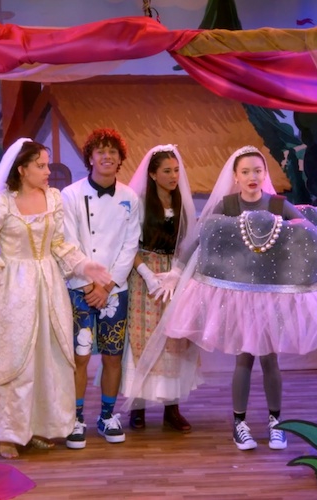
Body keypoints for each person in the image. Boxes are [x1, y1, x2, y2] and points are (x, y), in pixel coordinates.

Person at [145, 145, 317, 451]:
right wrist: (177, 270)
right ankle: (239, 424)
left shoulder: (278, 204)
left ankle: (276, 423)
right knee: (244, 358)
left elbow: (310, 231)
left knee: (269, 359)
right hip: (240, 299)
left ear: (264, 174)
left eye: (257, 170)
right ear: (236, 177)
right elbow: (202, 237)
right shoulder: (228, 205)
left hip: (271, 297)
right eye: (245, 172)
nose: (252, 176)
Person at [0, 139, 109, 459]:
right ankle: (7, 432)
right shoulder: (0, 203)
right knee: (13, 359)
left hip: (48, 286)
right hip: (12, 288)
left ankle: (38, 427)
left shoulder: (53, 198)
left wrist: (85, 265)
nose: (48, 171)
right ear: (22, 169)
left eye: (47, 164)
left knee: (46, 357)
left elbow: (60, 246)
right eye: (40, 165)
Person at [60, 129, 141, 449]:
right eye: (101, 151)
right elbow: (68, 242)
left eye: (113, 152)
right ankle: (75, 418)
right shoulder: (70, 195)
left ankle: (107, 416)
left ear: (120, 159)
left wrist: (106, 286)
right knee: (79, 357)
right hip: (79, 287)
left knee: (112, 356)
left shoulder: (130, 197)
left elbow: (130, 245)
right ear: (90, 158)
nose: (107, 157)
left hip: (114, 291)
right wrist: (91, 283)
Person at [122, 144, 201, 432]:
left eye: (176, 170)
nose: (173, 176)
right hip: (144, 275)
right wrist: (146, 273)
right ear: (153, 174)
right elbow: (128, 244)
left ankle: (172, 407)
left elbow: (189, 244)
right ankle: (138, 406)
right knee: (142, 338)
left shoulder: (182, 204)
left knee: (173, 339)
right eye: (167, 171)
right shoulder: (141, 203)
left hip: (174, 275)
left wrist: (177, 273)